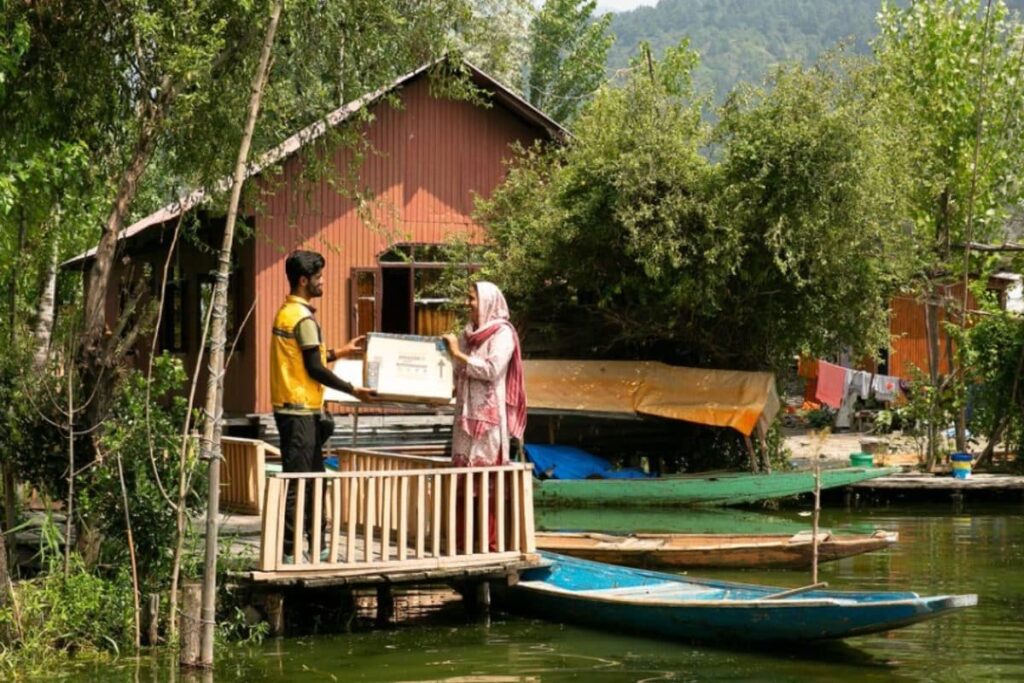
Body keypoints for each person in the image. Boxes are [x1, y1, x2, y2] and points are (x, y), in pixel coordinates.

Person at [270, 250, 373, 562]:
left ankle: (317, 545)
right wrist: (353, 390)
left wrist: (339, 352)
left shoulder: (289, 313)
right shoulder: (302, 318)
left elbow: (307, 358)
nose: (323, 282)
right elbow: (314, 368)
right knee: (299, 482)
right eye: (318, 278)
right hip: (298, 408)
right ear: (304, 281)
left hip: (299, 409)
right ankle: (290, 551)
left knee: (314, 480)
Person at [442, 281, 526, 551]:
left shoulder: (502, 334)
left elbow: (491, 369)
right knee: (462, 478)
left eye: (472, 299)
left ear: (488, 302)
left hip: (488, 421)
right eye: (467, 298)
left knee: (486, 481)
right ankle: (461, 542)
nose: (468, 304)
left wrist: (457, 354)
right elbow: (459, 370)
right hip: (465, 416)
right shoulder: (468, 334)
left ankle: (488, 544)